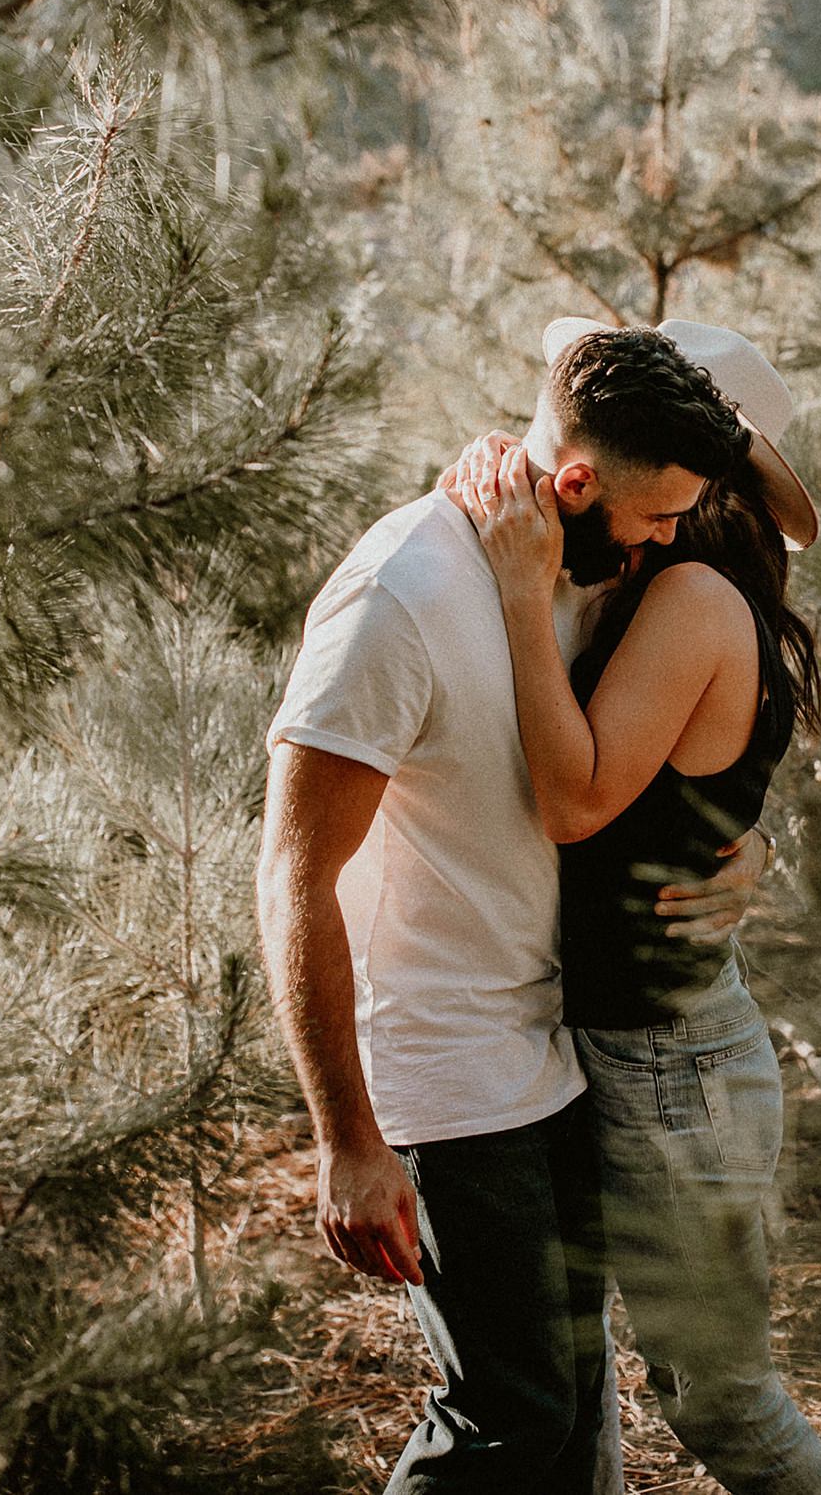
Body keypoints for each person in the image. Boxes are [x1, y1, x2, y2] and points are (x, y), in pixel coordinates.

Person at [255, 325, 774, 1494]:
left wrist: (746, 847)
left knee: (574, 1409)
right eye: (655, 518)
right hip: (450, 1071)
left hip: (559, 1053)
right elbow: (293, 872)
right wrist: (346, 1136)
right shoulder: (403, 590)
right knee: (505, 1415)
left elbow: (644, 773)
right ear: (579, 484)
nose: (667, 544)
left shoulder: (571, 567)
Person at [441, 319, 821, 1495]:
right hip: (637, 1042)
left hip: (672, 1057)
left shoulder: (689, 600)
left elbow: (576, 799)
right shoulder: (661, 586)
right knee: (583, 1379)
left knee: (719, 1395)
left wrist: (521, 595)